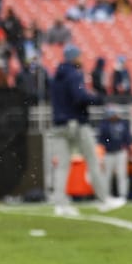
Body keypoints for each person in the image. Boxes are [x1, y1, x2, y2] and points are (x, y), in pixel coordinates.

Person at [50, 45, 121, 215]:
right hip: (76, 124)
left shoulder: (56, 76)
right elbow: (79, 97)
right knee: (93, 161)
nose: (81, 58)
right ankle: (104, 199)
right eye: (79, 56)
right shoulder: (74, 74)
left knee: (62, 166)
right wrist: (97, 99)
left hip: (59, 124)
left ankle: (60, 204)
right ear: (73, 57)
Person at [95, 105, 131, 203]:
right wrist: (108, 146)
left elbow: (127, 137)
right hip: (108, 153)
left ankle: (123, 195)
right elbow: (101, 139)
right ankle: (106, 195)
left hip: (120, 152)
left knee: (122, 174)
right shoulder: (104, 124)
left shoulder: (123, 123)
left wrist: (126, 146)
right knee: (107, 175)